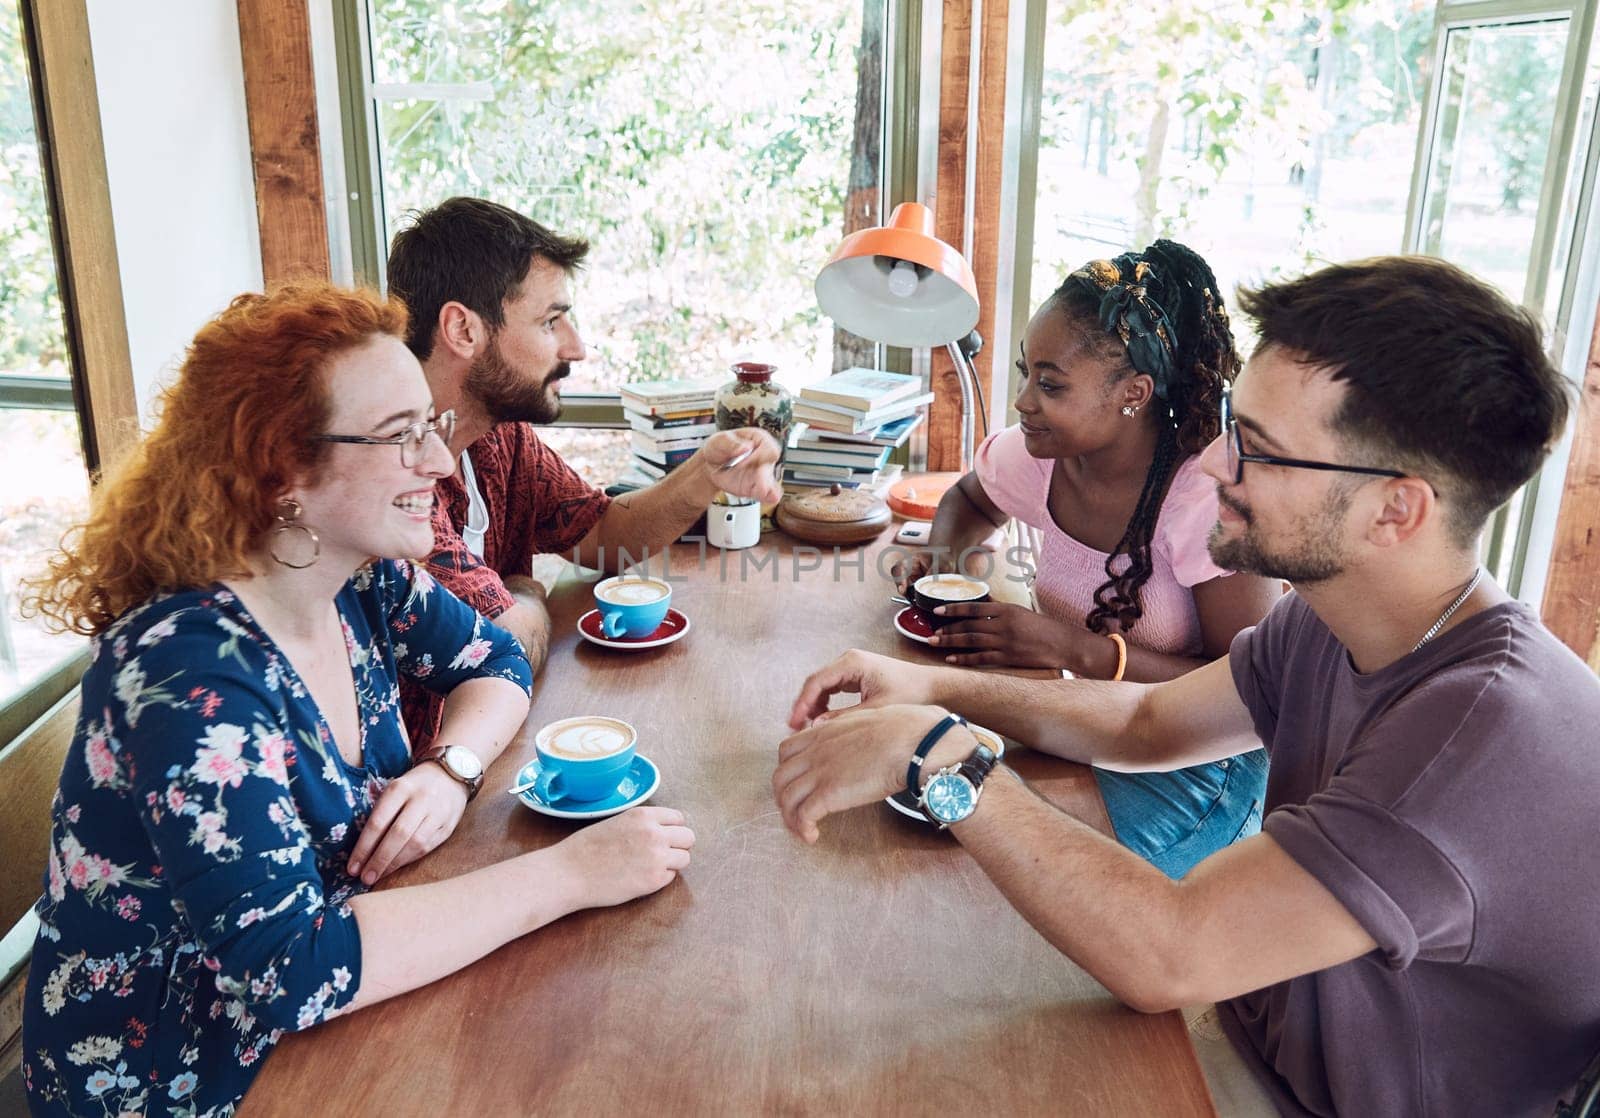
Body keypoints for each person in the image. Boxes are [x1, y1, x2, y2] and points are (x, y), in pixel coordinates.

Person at [774, 256, 1600, 1115]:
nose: (1208, 464)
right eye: (1228, 427)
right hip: (1259, 1043)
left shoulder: (1476, 735)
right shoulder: (1332, 615)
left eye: (1257, 448)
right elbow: (1146, 723)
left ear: (1396, 510)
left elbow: (1168, 957)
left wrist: (936, 757)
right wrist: (925, 689)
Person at [18, 285, 696, 1116]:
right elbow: (290, 972)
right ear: (283, 471)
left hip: (338, 1005)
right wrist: (571, 873)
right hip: (188, 1074)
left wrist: (452, 768)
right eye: (398, 437)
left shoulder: (357, 578)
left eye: (431, 427)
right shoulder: (185, 680)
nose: (441, 464)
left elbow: (497, 664)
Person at [895, 240, 1281, 878]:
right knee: (957, 843)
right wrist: (944, 565)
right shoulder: (1041, 454)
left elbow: (1248, 691)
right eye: (1025, 373)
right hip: (1093, 724)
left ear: (1133, 392)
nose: (1023, 401)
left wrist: (1073, 649)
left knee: (1036, 877)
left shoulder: (1205, 500)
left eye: (1049, 384)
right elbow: (970, 497)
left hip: (1202, 767)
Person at [385, 197, 783, 748]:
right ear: (463, 330)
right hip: (424, 783)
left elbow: (600, 536)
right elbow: (502, 641)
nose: (577, 348)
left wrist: (704, 475)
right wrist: (526, 590)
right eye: (550, 321)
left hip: (499, 740)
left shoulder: (499, 435)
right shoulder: (394, 476)